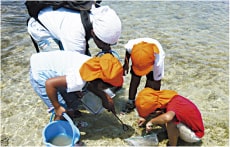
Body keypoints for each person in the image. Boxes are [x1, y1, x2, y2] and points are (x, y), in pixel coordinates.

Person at [30, 51, 123, 120]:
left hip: (48, 66)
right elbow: (49, 84)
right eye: (105, 87)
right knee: (63, 113)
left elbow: (92, 83)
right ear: (98, 81)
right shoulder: (78, 80)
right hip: (41, 75)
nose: (105, 89)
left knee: (74, 100)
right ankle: (62, 131)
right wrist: (57, 107)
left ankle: (70, 112)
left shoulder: (93, 65)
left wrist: (104, 97)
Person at [27, 3, 122, 54]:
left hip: (60, 25)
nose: (108, 47)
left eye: (111, 44)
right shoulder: (75, 32)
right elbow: (75, 66)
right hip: (41, 29)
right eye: (106, 44)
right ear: (93, 33)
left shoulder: (97, 17)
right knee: (58, 67)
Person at [135, 87, 205, 146]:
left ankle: (172, 145)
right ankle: (172, 134)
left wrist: (151, 122)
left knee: (170, 122)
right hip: (187, 126)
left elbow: (167, 118)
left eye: (151, 113)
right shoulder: (167, 99)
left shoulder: (173, 105)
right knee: (160, 117)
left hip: (194, 135)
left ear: (157, 108)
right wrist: (144, 116)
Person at [122, 38, 165, 113]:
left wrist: (155, 100)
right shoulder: (131, 46)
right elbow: (128, 52)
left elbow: (157, 83)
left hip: (152, 61)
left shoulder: (158, 61)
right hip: (138, 59)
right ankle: (130, 102)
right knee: (134, 80)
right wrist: (126, 63)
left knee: (150, 84)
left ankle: (147, 103)